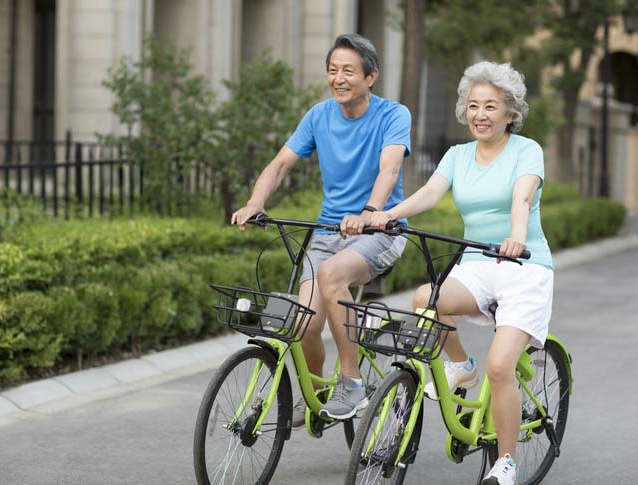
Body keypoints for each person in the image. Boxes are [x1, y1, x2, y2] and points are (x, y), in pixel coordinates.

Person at [365, 61, 553, 485]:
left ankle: (505, 461)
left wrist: (516, 238)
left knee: (500, 368)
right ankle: (460, 363)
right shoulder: (457, 155)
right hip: (478, 264)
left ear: (510, 113)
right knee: (425, 298)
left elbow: (522, 199)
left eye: (490, 106)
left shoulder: (527, 151)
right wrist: (389, 214)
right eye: (473, 106)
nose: (479, 115)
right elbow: (430, 193)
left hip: (524, 268)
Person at [231, 34, 411, 424]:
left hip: (380, 233)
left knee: (331, 275)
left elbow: (390, 168)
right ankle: (316, 394)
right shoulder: (319, 116)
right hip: (328, 233)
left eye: (349, 71)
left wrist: (369, 212)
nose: (338, 78)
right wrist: (255, 203)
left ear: (371, 76)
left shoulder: (393, 115)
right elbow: (280, 164)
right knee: (304, 324)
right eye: (333, 70)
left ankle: (351, 381)